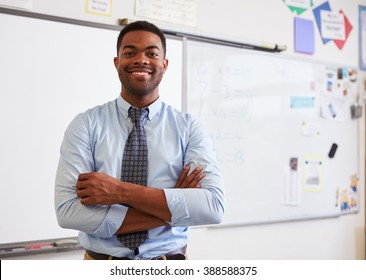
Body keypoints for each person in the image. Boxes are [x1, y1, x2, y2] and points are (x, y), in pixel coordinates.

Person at [54, 20, 225, 260]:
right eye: (130, 52)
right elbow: (68, 212)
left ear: (164, 65)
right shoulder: (86, 124)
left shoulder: (189, 128)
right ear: (117, 63)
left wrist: (119, 191)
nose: (141, 60)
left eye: (152, 53)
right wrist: (173, 204)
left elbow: (213, 207)